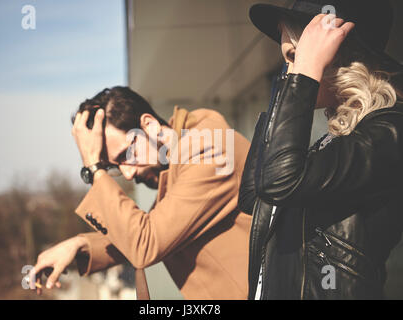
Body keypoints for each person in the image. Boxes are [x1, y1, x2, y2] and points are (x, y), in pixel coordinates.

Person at [239, 0, 403, 299]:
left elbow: (279, 182)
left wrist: (305, 72)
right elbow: (255, 198)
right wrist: (286, 89)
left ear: (337, 54)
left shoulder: (391, 131)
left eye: (295, 57)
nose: (290, 72)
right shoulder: (336, 138)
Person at [31, 86, 252, 299]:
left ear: (149, 125)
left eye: (126, 154)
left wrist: (93, 167)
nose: (127, 174)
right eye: (114, 167)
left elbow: (144, 242)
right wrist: (80, 245)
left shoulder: (208, 151)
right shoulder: (181, 157)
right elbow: (148, 228)